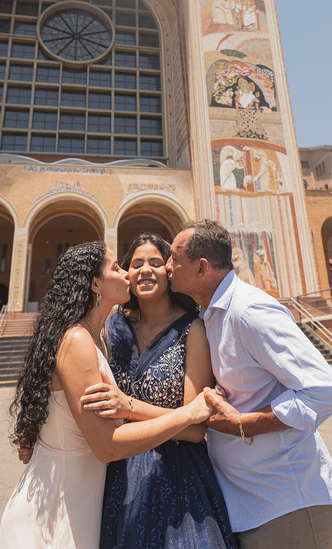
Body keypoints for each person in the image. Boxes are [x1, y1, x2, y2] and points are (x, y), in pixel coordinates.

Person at [0, 242, 214, 549]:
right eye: (117, 267)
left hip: (86, 498)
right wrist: (188, 414)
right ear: (95, 284)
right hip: (58, 504)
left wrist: (32, 428)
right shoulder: (78, 340)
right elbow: (106, 446)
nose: (127, 273)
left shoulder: (100, 336)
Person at [167, 220, 332, 549]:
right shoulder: (213, 314)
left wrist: (243, 424)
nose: (167, 266)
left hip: (289, 507)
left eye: (175, 259)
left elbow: (324, 392)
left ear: (201, 268)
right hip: (256, 509)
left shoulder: (249, 311)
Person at [79, 233, 237, 549]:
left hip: (179, 474)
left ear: (168, 270)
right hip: (120, 470)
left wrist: (129, 407)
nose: (145, 270)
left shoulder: (193, 329)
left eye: (155, 262)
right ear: (126, 273)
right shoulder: (113, 327)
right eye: (136, 264)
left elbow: (194, 429)